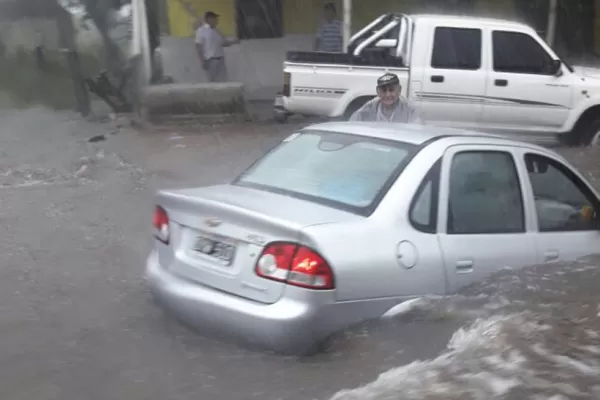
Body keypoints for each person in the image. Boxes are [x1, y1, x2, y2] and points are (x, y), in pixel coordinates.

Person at [350, 73, 422, 123]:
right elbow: (352, 125)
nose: (387, 95)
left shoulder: (411, 109)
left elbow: (416, 132)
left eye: (391, 90)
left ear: (399, 90)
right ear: (378, 92)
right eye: (384, 90)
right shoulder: (369, 107)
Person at [195, 11, 240, 82]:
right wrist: (202, 61)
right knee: (212, 81)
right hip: (210, 60)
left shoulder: (217, 30)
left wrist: (234, 42)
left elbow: (224, 43)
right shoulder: (201, 30)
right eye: (214, 18)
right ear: (209, 19)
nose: (217, 20)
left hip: (220, 59)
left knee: (223, 80)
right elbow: (198, 46)